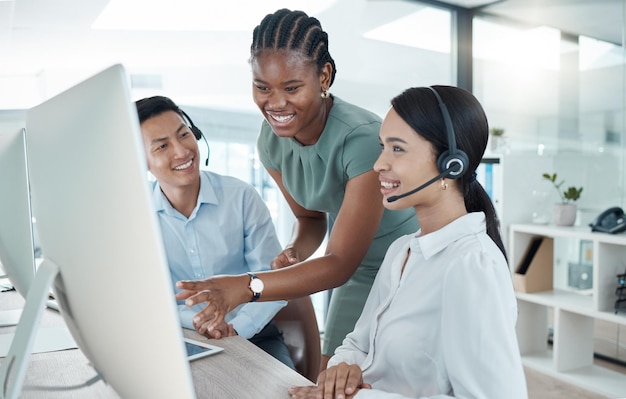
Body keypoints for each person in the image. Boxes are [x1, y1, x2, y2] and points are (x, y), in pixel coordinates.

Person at [175, 8, 419, 371]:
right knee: (333, 378)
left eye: (292, 88)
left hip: (402, 264)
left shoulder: (362, 139)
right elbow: (310, 217)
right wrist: (295, 249)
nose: (275, 104)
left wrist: (246, 286)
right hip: (347, 264)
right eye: (262, 87)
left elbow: (338, 263)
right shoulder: (271, 142)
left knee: (383, 377)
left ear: (324, 76)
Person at [287, 85, 528, 398]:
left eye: (397, 149)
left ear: (450, 164)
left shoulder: (472, 265)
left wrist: (359, 397)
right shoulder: (402, 251)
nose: (379, 164)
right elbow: (358, 344)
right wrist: (344, 368)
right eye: (382, 146)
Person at [135, 95, 294, 369]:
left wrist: (234, 329)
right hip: (177, 338)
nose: (182, 151)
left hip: (253, 335)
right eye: (162, 146)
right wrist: (200, 325)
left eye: (184, 135)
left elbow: (273, 283)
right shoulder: (136, 218)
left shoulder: (241, 197)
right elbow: (143, 301)